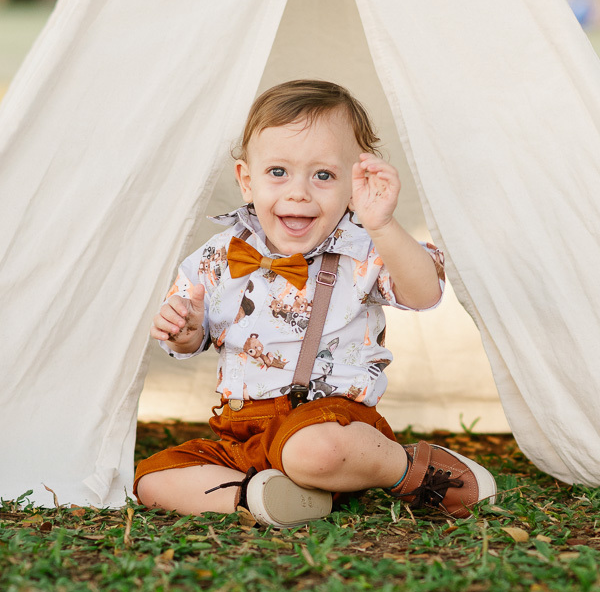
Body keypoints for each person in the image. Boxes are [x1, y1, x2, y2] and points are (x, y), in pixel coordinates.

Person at [135, 80, 496, 527]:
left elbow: (424, 293)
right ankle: (263, 496)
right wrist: (185, 329)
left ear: (353, 182)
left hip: (330, 420)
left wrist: (382, 225)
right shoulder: (217, 256)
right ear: (247, 181)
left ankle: (405, 468)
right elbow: (190, 337)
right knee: (152, 479)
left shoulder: (362, 247)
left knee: (313, 450)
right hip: (243, 429)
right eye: (278, 173)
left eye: (323, 175)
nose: (299, 192)